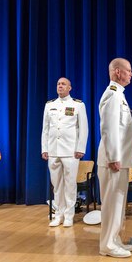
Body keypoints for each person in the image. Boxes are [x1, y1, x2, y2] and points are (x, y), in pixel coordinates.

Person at [97, 58, 132, 258]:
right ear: (118, 72)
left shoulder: (119, 95)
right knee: (112, 203)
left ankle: (114, 239)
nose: (131, 74)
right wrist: (113, 157)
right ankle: (107, 245)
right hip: (112, 160)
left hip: (120, 159)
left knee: (119, 204)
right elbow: (108, 128)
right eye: (128, 71)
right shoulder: (112, 95)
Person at [41, 77, 89, 228]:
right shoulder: (50, 105)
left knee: (69, 184)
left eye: (63, 84)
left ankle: (69, 215)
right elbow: (45, 129)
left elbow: (84, 128)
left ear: (70, 88)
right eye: (58, 84)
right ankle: (58, 215)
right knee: (57, 185)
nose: (60, 86)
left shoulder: (78, 105)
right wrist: (45, 148)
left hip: (70, 151)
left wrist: (80, 148)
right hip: (53, 150)